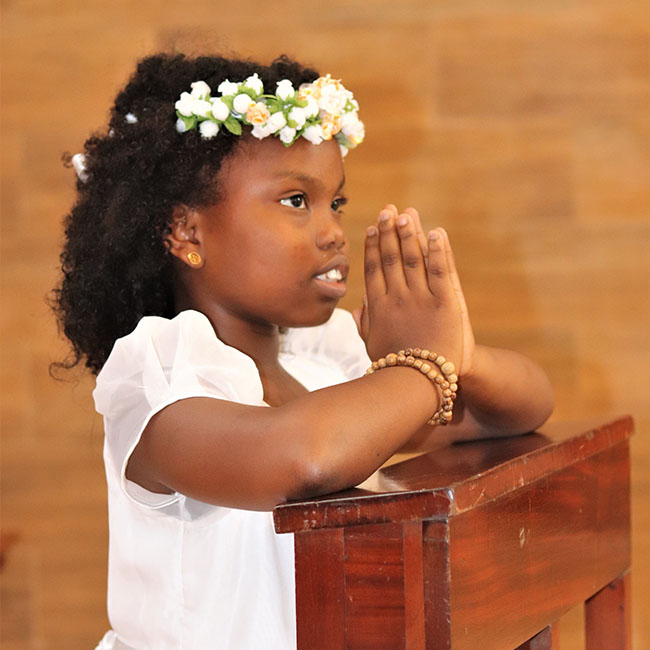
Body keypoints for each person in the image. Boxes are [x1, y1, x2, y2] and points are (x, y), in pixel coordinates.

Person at [53, 52, 554, 650]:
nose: (333, 231)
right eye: (296, 201)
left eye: (336, 202)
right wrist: (424, 365)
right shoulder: (161, 375)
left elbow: (525, 406)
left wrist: (458, 355)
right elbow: (306, 459)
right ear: (187, 232)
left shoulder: (327, 359)